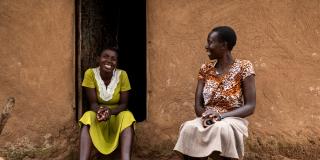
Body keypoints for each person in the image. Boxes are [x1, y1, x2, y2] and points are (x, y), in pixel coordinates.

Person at [174, 26, 256, 160]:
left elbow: (250, 106)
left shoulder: (244, 67)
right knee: (188, 128)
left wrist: (221, 116)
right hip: (207, 118)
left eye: (210, 42)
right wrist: (207, 117)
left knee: (221, 129)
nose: (206, 46)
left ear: (224, 45)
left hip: (231, 118)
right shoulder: (205, 69)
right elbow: (198, 106)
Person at [79, 47, 136, 160]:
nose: (109, 61)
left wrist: (110, 112)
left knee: (128, 116)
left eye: (113, 59)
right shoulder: (90, 74)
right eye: (105, 56)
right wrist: (101, 112)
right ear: (98, 59)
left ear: (116, 63)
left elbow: (124, 104)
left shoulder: (122, 75)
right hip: (99, 115)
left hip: (117, 115)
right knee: (87, 116)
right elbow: (93, 103)